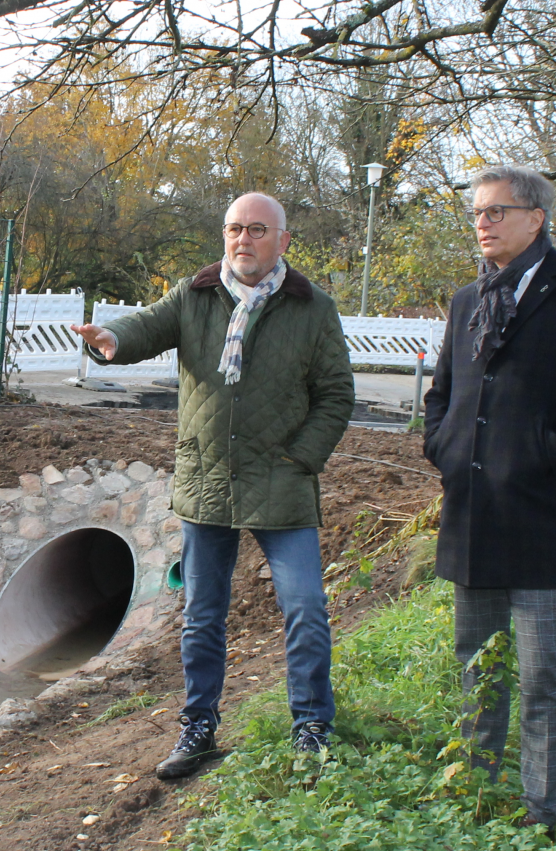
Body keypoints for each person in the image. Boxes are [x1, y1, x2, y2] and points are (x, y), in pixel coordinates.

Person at [71, 192, 356, 779]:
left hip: (282, 481)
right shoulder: (196, 295)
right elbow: (145, 327)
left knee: (305, 607)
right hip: (209, 479)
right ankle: (198, 727)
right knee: (203, 614)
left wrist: (301, 458)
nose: (243, 239)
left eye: (256, 229)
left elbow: (336, 396)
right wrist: (112, 341)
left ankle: (311, 729)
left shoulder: (311, 308)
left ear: (281, 240)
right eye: (233, 229)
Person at [422, 165, 556, 829]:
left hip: (542, 518)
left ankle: (539, 814)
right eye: (477, 215)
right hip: (472, 514)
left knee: (541, 675)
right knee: (476, 667)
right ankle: (477, 797)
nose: (482, 224)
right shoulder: (469, 301)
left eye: (496, 212)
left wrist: (549, 452)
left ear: (535, 218)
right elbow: (443, 394)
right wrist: (446, 446)